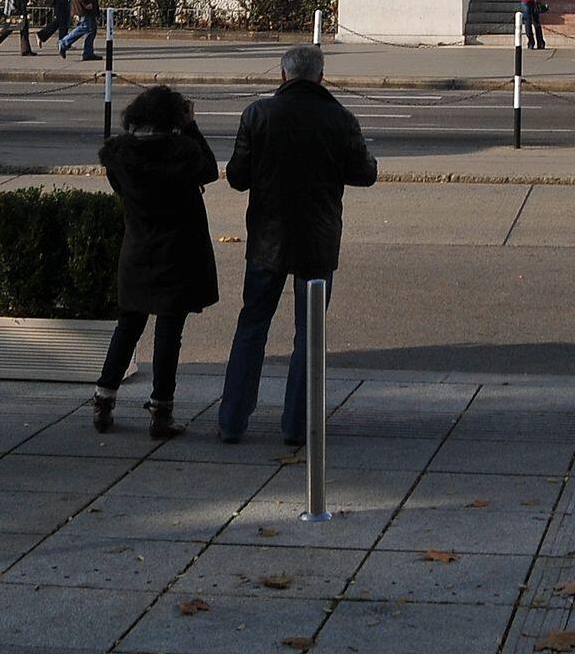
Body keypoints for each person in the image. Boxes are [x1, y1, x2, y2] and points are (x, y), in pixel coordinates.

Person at [216, 44, 378, 445]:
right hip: (317, 241)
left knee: (252, 325)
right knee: (309, 335)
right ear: (321, 77)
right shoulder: (340, 118)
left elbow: (237, 176)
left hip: (267, 240)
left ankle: (232, 420)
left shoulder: (258, 114)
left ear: (283, 75)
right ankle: (297, 425)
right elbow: (365, 173)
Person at [93, 84, 219, 439]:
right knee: (168, 332)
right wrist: (192, 126)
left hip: (137, 249)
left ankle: (104, 398)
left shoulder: (120, 158)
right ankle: (161, 413)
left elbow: (121, 188)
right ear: (173, 118)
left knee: (128, 326)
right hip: (177, 252)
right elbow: (209, 169)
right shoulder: (183, 154)